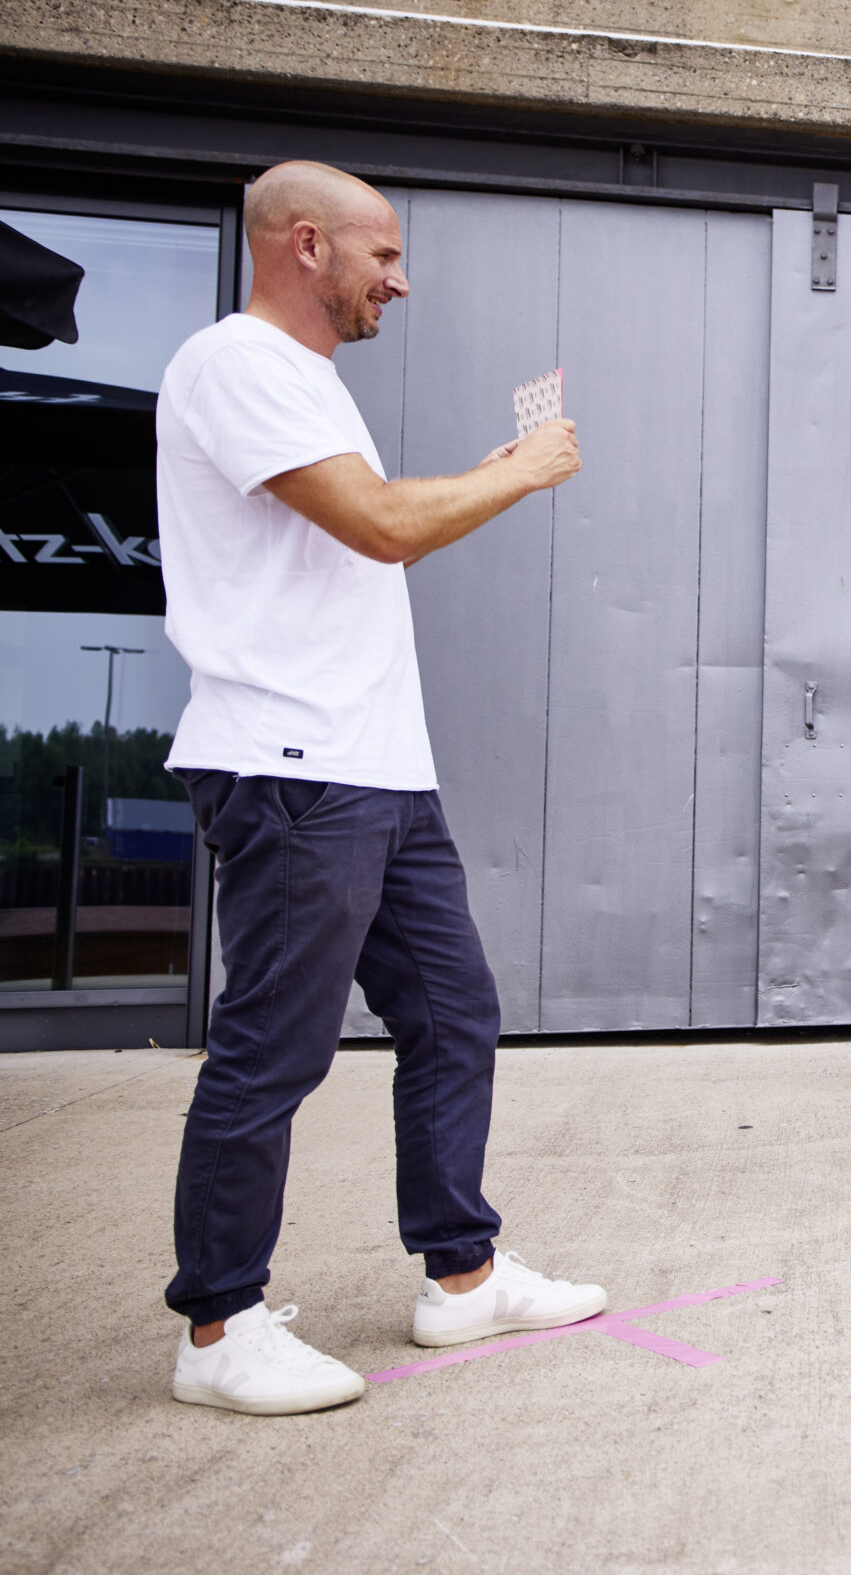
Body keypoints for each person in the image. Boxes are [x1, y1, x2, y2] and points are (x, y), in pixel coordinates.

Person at [159, 161, 602, 1417]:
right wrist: (522, 472)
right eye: (384, 257)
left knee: (455, 1014)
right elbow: (384, 526)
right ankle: (218, 1326)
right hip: (295, 768)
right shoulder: (235, 364)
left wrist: (482, 475)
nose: (400, 283)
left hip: (379, 770)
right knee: (274, 1049)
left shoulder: (310, 384)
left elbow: (376, 526)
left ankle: (461, 1275)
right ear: (306, 244)